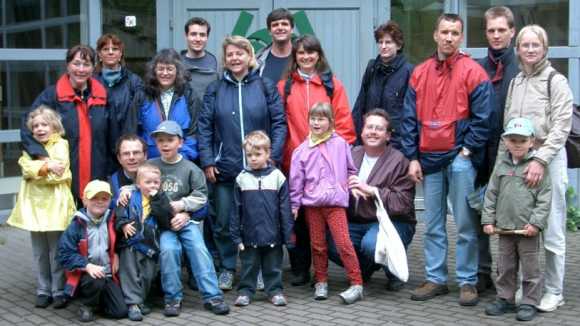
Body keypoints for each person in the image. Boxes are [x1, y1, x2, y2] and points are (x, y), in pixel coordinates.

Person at [400, 13, 493, 306]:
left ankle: (467, 281)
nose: (449, 37)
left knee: (465, 225)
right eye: (444, 32)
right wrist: (411, 157)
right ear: (435, 35)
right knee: (434, 223)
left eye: (454, 33)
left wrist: (467, 151)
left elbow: (484, 118)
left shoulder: (473, 71)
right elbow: (408, 119)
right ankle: (436, 278)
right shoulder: (420, 72)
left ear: (461, 37)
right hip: (428, 159)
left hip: (459, 159)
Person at [198, 35, 287, 291]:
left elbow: (279, 123)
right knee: (225, 221)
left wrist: (274, 155)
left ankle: (259, 270)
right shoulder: (215, 89)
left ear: (250, 57)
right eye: (230, 55)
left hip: (261, 170)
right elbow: (204, 127)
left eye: (240, 53)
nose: (235, 58)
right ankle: (227, 267)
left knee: (261, 222)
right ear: (225, 60)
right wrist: (207, 160)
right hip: (226, 168)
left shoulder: (265, 86)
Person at [503, 24, 574, 312]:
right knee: (521, 226)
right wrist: (503, 165)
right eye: (525, 45)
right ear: (517, 48)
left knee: (552, 228)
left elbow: (562, 127)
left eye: (536, 45)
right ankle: (527, 287)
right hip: (519, 159)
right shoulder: (516, 81)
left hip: (549, 157)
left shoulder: (555, 81)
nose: (530, 49)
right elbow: (507, 126)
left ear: (545, 48)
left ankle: (554, 291)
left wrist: (540, 159)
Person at [278, 34, 356, 286]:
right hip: (294, 163)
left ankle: (325, 271)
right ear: (295, 57)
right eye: (301, 53)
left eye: (311, 52)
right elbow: (279, 124)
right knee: (298, 220)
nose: (306, 57)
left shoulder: (333, 85)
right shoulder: (285, 86)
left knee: (326, 222)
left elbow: (344, 125)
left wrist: (331, 157)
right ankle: (301, 269)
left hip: (326, 169)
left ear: (319, 55)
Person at [327, 109, 416, 290]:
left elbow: (403, 203)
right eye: (369, 127)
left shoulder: (399, 161)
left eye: (379, 128)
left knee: (372, 244)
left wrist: (372, 191)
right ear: (362, 132)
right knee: (332, 242)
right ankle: (363, 269)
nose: (373, 132)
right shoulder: (352, 154)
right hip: (358, 220)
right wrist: (345, 189)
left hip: (392, 222)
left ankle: (393, 271)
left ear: (388, 136)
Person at [149, 120, 230, 317]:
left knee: (198, 249)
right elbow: (139, 188)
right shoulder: (150, 165)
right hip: (163, 224)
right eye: (161, 141)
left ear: (181, 142)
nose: (165, 144)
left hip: (187, 221)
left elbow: (201, 196)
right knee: (168, 251)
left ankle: (213, 296)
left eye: (170, 140)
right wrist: (126, 190)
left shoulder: (191, 169)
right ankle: (173, 298)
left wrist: (183, 207)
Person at [289, 102, 363, 304]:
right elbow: (296, 182)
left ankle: (356, 282)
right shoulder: (301, 151)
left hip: (335, 204)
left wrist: (349, 186)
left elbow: (350, 169)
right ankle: (321, 280)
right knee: (318, 245)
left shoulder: (340, 144)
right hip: (313, 206)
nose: (316, 122)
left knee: (343, 243)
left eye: (321, 118)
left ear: (330, 122)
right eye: (313, 118)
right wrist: (295, 205)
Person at [482, 117, 551, 322]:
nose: (517, 145)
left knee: (531, 269)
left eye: (522, 141)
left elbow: (544, 198)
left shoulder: (538, 167)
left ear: (532, 141)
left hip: (527, 229)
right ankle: (505, 298)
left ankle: (530, 302)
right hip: (504, 228)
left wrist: (536, 224)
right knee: (505, 267)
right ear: (506, 142)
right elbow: (491, 193)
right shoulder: (501, 164)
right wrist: (488, 220)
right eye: (513, 140)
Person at [7, 105, 76, 309]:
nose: (39, 129)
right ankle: (43, 290)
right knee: (39, 251)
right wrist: (47, 166)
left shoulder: (61, 145)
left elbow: (60, 175)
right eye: (35, 125)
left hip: (56, 205)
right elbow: (25, 168)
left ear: (54, 126)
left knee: (56, 251)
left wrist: (38, 171)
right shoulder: (30, 148)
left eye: (44, 124)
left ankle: (58, 290)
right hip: (34, 207)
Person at [24, 45, 111, 203]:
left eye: (86, 64)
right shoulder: (52, 96)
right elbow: (28, 125)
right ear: (67, 65)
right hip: (63, 174)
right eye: (76, 63)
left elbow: (113, 134)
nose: (81, 69)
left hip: (97, 170)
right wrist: (42, 156)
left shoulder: (103, 96)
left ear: (93, 68)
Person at [475, 6, 520, 293]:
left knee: (512, 218)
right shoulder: (477, 67)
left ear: (512, 32)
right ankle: (482, 274)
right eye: (491, 30)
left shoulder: (522, 67)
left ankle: (510, 279)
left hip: (511, 156)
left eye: (501, 30)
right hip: (481, 153)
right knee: (479, 214)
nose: (496, 35)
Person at [230, 131, 293, 307]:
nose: (253, 159)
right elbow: (235, 210)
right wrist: (236, 236)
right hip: (249, 235)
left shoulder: (278, 177)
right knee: (249, 265)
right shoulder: (241, 178)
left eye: (258, 154)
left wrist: (288, 236)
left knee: (273, 266)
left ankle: (275, 291)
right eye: (249, 155)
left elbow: (285, 209)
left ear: (267, 153)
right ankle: (245, 292)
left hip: (273, 234)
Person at [57, 180, 128, 323]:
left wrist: (116, 254)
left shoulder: (113, 220)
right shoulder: (76, 224)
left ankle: (98, 301)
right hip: (84, 274)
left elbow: (121, 240)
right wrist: (87, 266)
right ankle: (87, 305)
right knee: (96, 281)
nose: (99, 202)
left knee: (120, 312)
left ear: (110, 201)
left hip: (107, 273)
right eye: (94, 198)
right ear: (84, 200)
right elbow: (63, 254)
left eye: (104, 198)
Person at [351, 21, 414, 149]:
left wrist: (408, 146)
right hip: (370, 140)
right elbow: (360, 106)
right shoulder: (372, 68)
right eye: (380, 42)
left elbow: (411, 113)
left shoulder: (409, 71)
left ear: (398, 45)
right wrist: (356, 140)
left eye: (388, 42)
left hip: (396, 143)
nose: (383, 46)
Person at [115, 163, 164, 321]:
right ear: (138, 184)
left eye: (155, 182)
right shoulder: (129, 196)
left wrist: (157, 200)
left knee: (148, 274)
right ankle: (132, 303)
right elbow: (118, 214)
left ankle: (140, 299)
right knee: (129, 273)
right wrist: (123, 225)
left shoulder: (161, 198)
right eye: (148, 182)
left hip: (150, 246)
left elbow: (165, 217)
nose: (152, 185)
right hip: (130, 243)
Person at [139, 48, 199, 161]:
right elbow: (135, 130)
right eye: (161, 69)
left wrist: (184, 157)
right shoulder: (143, 95)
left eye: (170, 69)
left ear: (178, 71)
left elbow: (194, 132)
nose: (165, 73)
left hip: (182, 161)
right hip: (150, 162)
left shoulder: (189, 95)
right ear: (154, 71)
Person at [95, 33, 144, 156]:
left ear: (121, 53)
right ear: (100, 55)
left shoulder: (134, 81)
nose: (110, 52)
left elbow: (139, 116)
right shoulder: (92, 82)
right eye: (106, 49)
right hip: (99, 147)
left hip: (129, 148)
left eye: (115, 49)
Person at [180, 17, 219, 107]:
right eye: (193, 34)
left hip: (208, 118)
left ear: (207, 37)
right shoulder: (176, 64)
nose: (198, 39)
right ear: (186, 36)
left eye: (202, 35)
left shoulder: (216, 64)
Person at [257, 8, 294, 83]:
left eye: (284, 24)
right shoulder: (257, 61)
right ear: (269, 31)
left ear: (292, 29)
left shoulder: (303, 58)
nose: (280, 28)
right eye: (275, 25)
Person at [109, 134, 148, 204]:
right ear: (119, 158)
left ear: (145, 156)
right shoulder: (110, 186)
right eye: (126, 153)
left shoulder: (158, 179)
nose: (131, 157)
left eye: (136, 153)